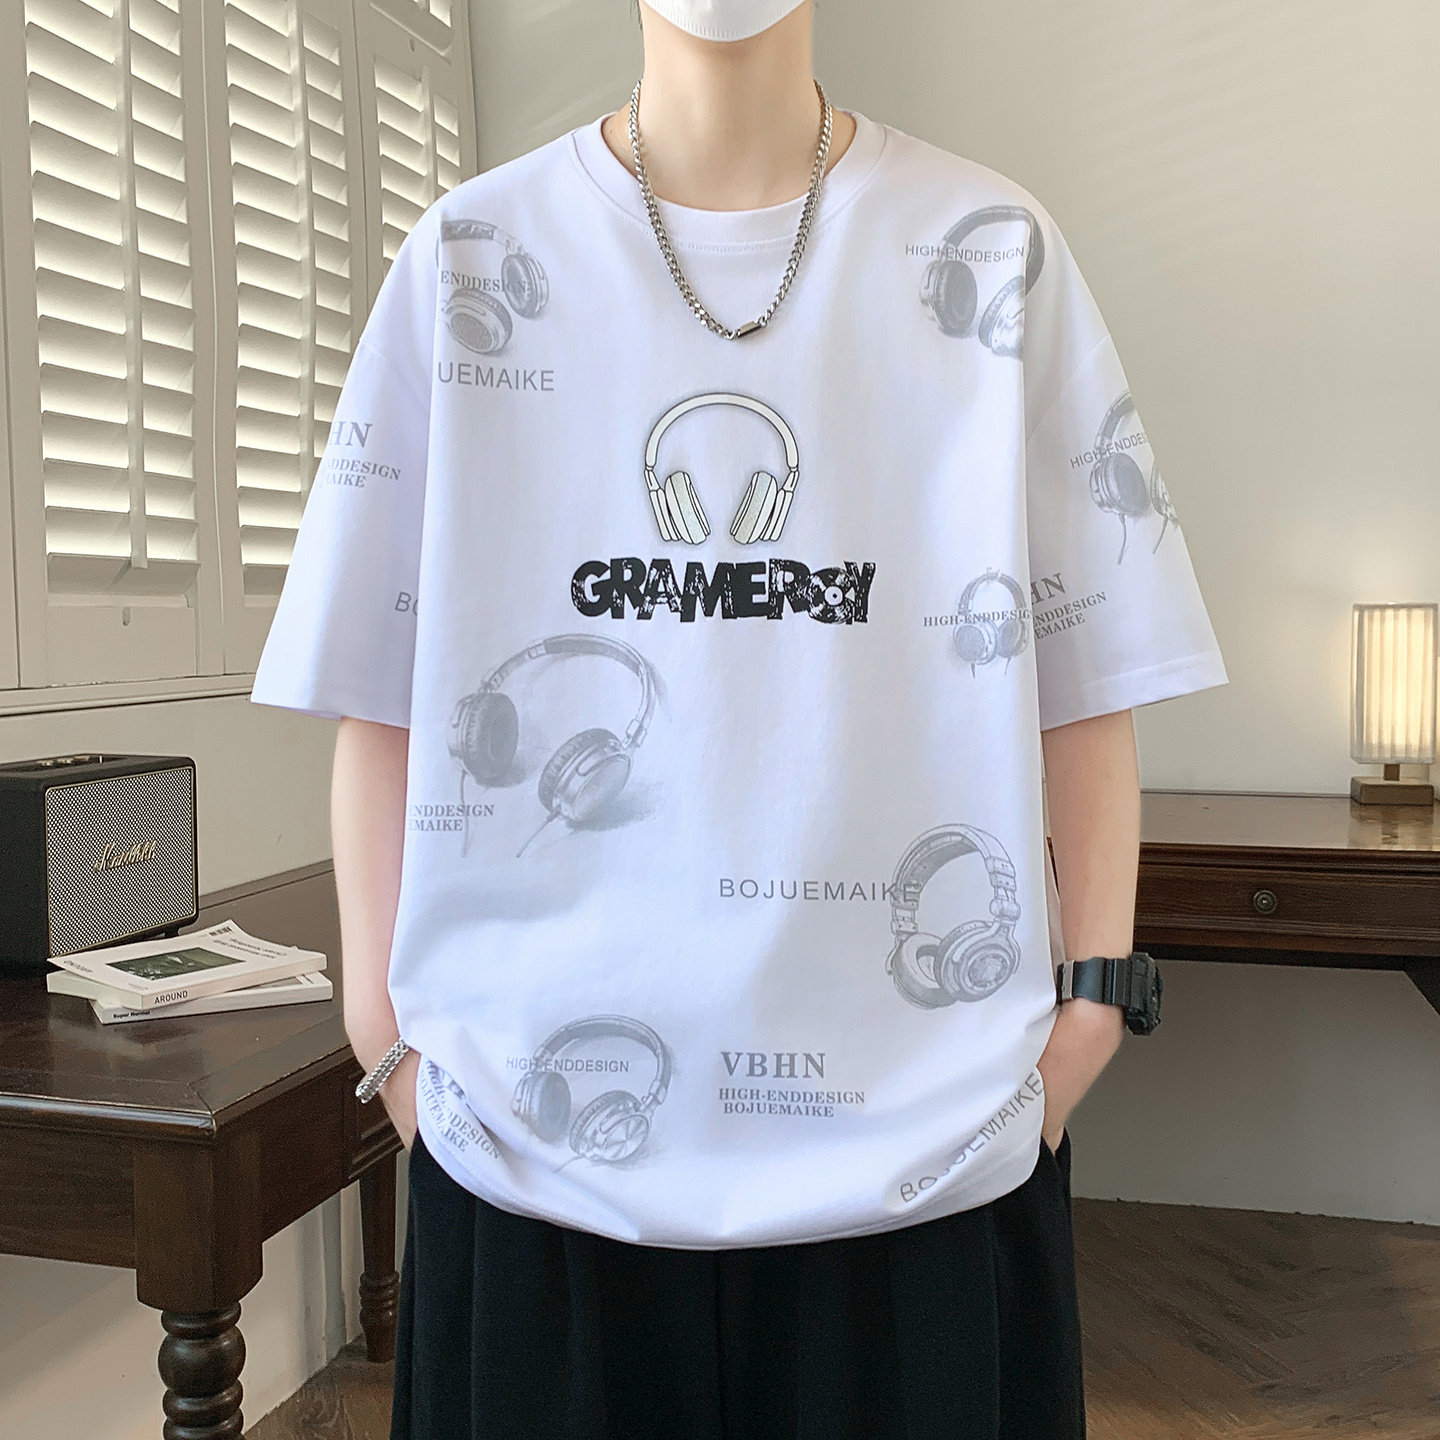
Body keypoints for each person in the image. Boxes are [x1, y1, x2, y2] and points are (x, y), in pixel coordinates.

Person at [250, 1, 1227, 1435]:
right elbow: (379, 690)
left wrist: (1091, 1006)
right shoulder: (468, 257)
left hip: (925, 1140)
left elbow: (1088, 683)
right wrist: (385, 1037)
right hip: (529, 1141)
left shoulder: (991, 249)